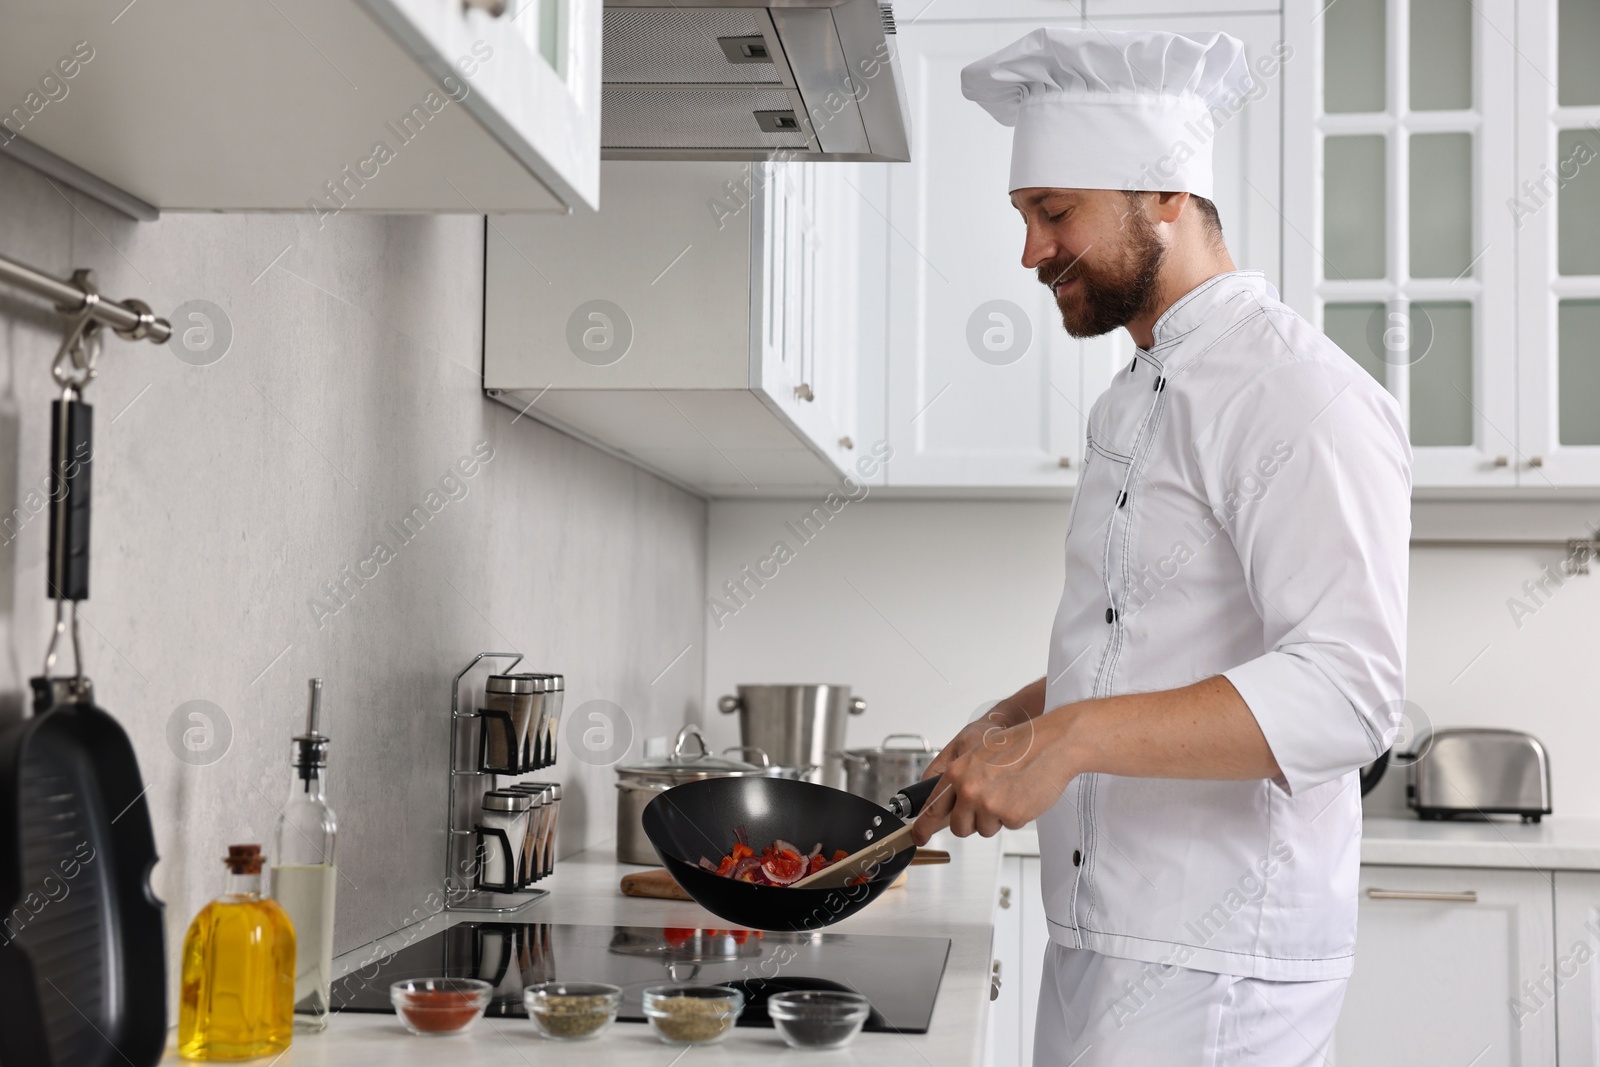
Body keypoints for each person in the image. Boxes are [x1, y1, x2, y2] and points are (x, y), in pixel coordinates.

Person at [910, 27, 1411, 1067]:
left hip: (1218, 957)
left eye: (1053, 213)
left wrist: (1070, 737)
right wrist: (1015, 718)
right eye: (1023, 216)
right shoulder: (1139, 388)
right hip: (1107, 935)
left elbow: (1352, 693)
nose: (1031, 251)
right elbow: (1148, 631)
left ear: (1164, 196)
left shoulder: (1299, 395)